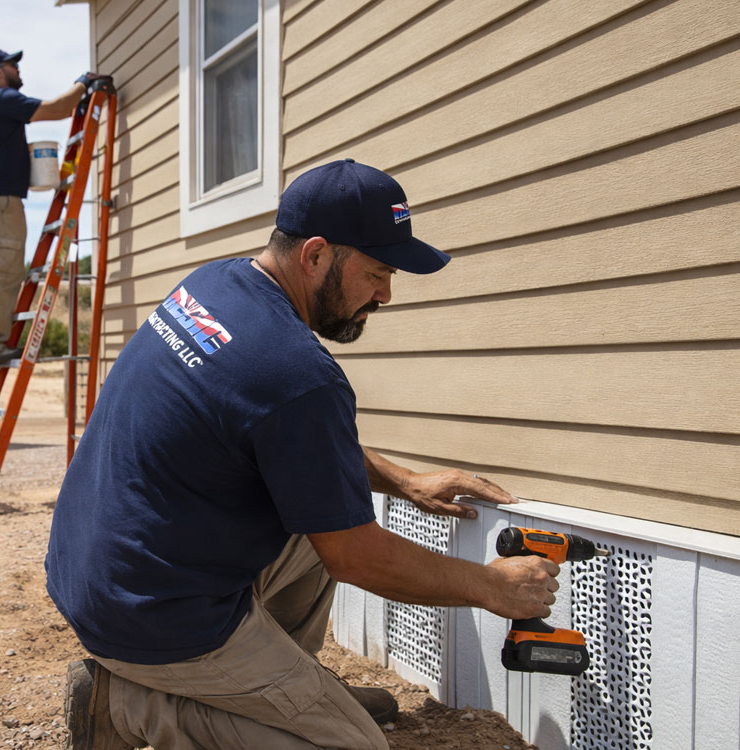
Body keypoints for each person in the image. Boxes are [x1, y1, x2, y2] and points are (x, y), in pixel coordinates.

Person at [45, 159, 562, 749]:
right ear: (316, 256)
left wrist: (405, 480)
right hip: (151, 610)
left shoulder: (215, 284)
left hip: (98, 566)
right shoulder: (295, 373)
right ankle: (124, 705)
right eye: (377, 273)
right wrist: (491, 585)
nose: (386, 295)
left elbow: (297, 446)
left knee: (324, 511)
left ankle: (283, 688)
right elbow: (357, 558)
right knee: (351, 746)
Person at [0, 48, 103, 371]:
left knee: (3, 270)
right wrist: (83, 83)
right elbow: (57, 109)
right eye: (12, 65)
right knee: (2, 271)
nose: (18, 70)